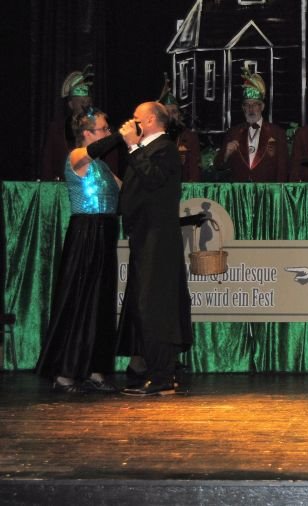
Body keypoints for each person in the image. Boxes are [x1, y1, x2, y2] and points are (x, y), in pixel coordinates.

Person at [34, 110, 121, 393]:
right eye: (103, 129)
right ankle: (65, 372)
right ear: (87, 133)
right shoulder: (77, 156)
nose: (108, 133)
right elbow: (97, 150)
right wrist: (122, 135)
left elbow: (127, 191)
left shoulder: (102, 166)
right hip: (86, 233)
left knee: (101, 302)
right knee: (80, 299)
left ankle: (95, 369)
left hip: (105, 232)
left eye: (108, 129)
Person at [111, 101, 193, 396]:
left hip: (158, 238)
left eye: (136, 118)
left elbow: (153, 178)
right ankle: (152, 371)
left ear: (149, 121)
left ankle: (162, 376)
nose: (131, 123)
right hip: (144, 236)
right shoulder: (148, 149)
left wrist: (133, 148)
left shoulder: (165, 148)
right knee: (144, 304)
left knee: (155, 305)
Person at [40, 66, 120, 180]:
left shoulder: (103, 128)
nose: (86, 105)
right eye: (82, 102)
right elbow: (48, 163)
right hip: (62, 186)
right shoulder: (57, 128)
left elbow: (111, 162)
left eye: (88, 101)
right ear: (71, 104)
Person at [213, 71, 288, 182]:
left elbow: (283, 170)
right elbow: (218, 166)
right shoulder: (233, 133)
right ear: (243, 108)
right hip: (239, 191)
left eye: (255, 104)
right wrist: (226, 154)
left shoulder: (277, 133)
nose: (251, 109)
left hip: (267, 191)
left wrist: (277, 191)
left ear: (262, 107)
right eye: (247, 104)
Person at [159, 74, 202, 182]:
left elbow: (194, 169)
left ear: (179, 115)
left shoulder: (189, 136)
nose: (170, 116)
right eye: (167, 112)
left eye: (174, 112)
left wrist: (191, 188)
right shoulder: (154, 137)